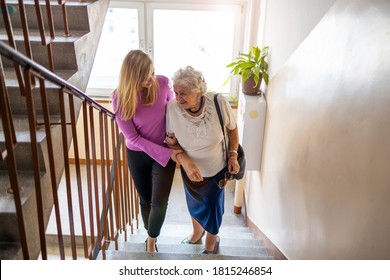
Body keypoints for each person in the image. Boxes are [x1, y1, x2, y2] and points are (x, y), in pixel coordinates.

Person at [165, 66, 240, 254]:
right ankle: (197, 232)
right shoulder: (172, 108)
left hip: (217, 169)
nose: (178, 98)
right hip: (189, 170)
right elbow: (171, 143)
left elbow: (232, 129)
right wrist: (184, 160)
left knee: (213, 207)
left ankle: (211, 243)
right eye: (176, 92)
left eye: (184, 93)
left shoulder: (218, 102)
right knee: (195, 203)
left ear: (199, 92)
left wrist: (232, 154)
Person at [111, 49, 180, 253]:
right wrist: (167, 154)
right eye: (145, 75)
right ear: (132, 76)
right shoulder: (119, 98)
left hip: (165, 152)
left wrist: (173, 141)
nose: (151, 78)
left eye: (152, 72)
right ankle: (151, 233)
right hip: (138, 154)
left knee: (159, 202)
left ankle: (151, 240)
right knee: (146, 200)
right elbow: (132, 137)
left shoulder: (163, 83)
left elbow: (174, 110)